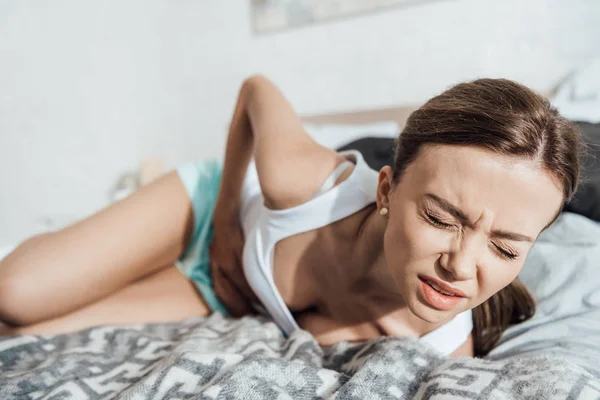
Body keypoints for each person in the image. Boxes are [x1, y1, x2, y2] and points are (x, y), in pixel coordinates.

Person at [0, 76, 582, 358]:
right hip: (203, 218)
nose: (461, 265)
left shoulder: (440, 346)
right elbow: (256, 92)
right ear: (386, 189)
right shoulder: (304, 180)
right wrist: (228, 211)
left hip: (225, 293)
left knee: (24, 336)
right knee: (14, 294)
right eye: (440, 217)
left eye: (506, 248)